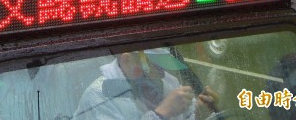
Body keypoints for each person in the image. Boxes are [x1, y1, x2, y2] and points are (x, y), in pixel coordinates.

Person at [73, 48, 218, 120]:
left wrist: (198, 113)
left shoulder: (166, 82)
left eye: (164, 66)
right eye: (154, 66)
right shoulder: (99, 97)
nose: (162, 74)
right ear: (127, 61)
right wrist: (161, 113)